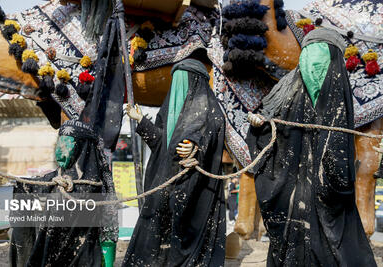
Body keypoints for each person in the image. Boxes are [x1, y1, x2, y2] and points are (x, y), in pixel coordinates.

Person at [246, 28, 376, 266]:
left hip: (329, 197)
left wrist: (330, 174)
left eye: (319, 58)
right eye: (307, 55)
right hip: (293, 192)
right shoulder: (287, 92)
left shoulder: (337, 92)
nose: (312, 65)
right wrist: (260, 126)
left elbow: (340, 156)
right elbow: (269, 130)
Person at [123, 59, 226, 266]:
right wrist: (141, 120)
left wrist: (197, 147)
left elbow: (213, 133)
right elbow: (161, 144)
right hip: (165, 187)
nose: (178, 87)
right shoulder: (168, 109)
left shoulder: (210, 109)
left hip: (194, 189)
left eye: (183, 80)